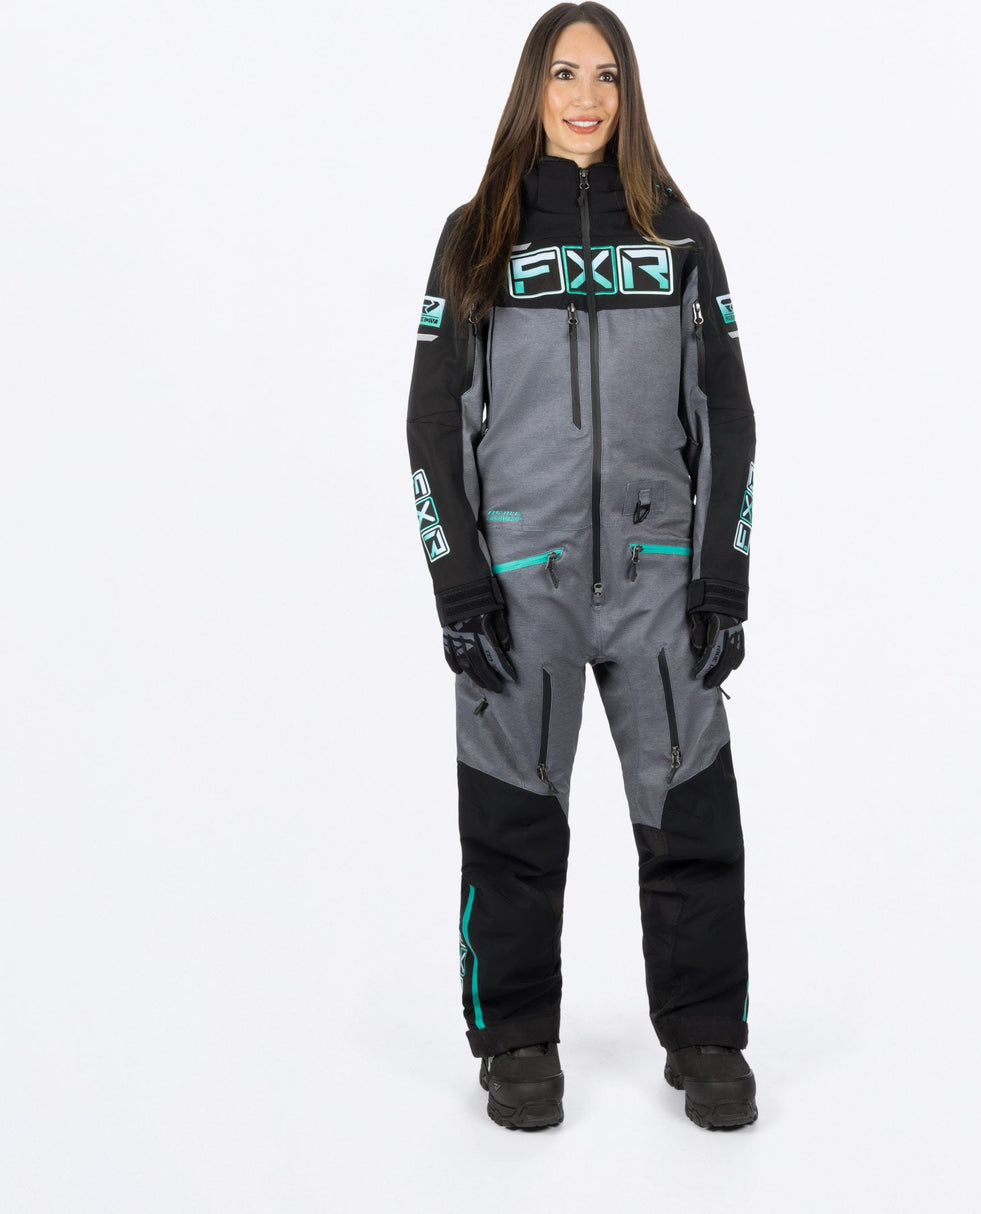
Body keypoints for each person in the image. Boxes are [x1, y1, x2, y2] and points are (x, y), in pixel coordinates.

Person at [405, 2, 758, 1130]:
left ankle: (704, 1036)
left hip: (659, 581)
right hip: (521, 584)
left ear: (628, 93)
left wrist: (722, 578)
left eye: (606, 76)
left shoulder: (680, 239)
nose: (586, 97)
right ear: (533, 89)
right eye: (565, 74)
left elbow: (728, 416)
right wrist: (461, 585)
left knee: (691, 818)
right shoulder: (477, 238)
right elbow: (430, 424)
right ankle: (515, 1039)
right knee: (511, 825)